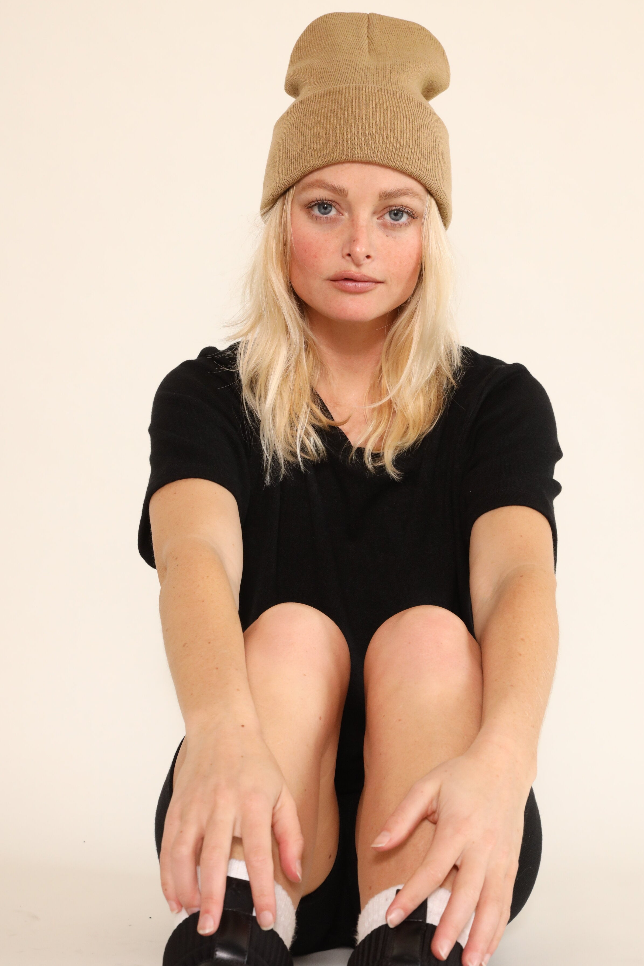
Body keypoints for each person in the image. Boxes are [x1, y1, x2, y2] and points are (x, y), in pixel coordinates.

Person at [138, 13, 563, 966]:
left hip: (448, 825)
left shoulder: (498, 404)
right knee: (291, 631)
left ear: (429, 236)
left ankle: (410, 931)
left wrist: (506, 763)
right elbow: (194, 555)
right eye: (325, 207)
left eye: (396, 213)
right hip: (248, 806)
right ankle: (243, 919)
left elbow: (517, 582)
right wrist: (218, 733)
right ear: (280, 223)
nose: (359, 244)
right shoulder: (205, 397)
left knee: (432, 635)